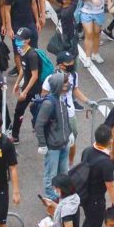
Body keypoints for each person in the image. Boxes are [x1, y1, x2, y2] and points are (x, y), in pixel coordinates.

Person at [80, 124, 114, 227]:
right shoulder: (105, 162)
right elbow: (110, 185)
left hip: (84, 194)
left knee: (88, 223)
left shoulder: (87, 151)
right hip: (96, 198)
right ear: (109, 141)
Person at [37, 72, 72, 201]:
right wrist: (42, 144)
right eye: (64, 83)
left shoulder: (61, 99)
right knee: (50, 175)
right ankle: (51, 199)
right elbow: (39, 125)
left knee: (63, 172)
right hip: (52, 146)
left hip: (63, 143)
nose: (67, 85)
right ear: (58, 85)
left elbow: (65, 119)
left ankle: (61, 195)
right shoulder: (49, 103)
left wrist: (69, 134)